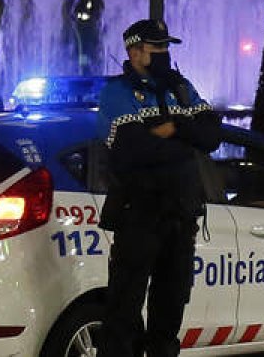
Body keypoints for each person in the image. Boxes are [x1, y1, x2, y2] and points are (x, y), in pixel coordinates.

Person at [97, 18, 222, 357]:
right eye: (157, 49)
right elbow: (133, 150)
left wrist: (173, 127)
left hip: (180, 216)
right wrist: (186, 136)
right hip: (140, 216)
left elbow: (212, 135)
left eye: (167, 47)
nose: (165, 54)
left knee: (169, 313)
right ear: (135, 52)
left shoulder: (179, 88)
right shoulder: (117, 93)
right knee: (123, 313)